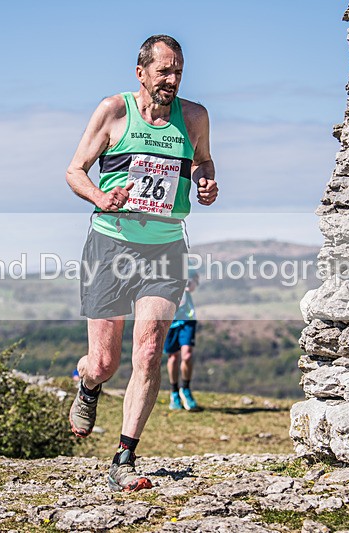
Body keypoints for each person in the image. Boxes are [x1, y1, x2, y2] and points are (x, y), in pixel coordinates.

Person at [65, 34, 218, 492]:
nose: (171, 80)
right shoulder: (113, 111)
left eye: (178, 72)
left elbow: (203, 162)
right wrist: (99, 196)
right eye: (164, 71)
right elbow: (75, 170)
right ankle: (88, 383)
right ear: (141, 73)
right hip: (110, 246)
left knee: (150, 350)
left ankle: (124, 457)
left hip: (166, 248)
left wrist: (206, 182)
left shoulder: (194, 117)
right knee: (106, 361)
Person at [165, 271, 201, 411]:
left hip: (187, 318)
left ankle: (185, 389)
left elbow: (193, 283)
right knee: (173, 357)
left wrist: (190, 283)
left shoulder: (187, 267)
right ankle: (174, 392)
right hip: (169, 318)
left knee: (187, 355)